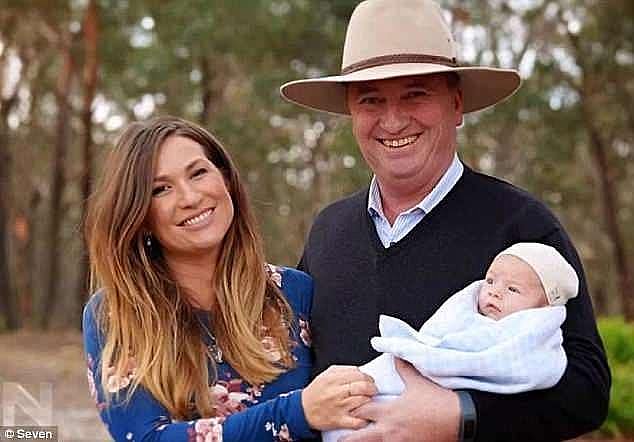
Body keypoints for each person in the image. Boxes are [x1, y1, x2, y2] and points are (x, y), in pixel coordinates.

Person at [280, 0, 610, 440]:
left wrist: (461, 415)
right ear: (350, 114)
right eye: (371, 100)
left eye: (415, 94)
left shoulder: (521, 226)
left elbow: (587, 390)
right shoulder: (328, 230)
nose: (393, 120)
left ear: (457, 105)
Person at [82, 116, 376, 442]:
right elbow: (147, 437)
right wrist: (298, 412)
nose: (190, 197)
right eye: (161, 189)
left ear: (226, 181)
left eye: (198, 173)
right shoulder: (115, 313)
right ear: (140, 217)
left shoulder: (295, 292)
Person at [324, 242, 579, 442]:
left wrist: (460, 413)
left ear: (544, 306)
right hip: (377, 390)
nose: (494, 291)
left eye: (512, 289)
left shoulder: (527, 338)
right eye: (490, 281)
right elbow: (437, 341)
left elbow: (498, 368)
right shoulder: (465, 316)